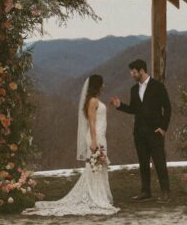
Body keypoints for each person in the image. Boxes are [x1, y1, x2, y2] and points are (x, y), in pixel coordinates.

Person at [24, 75, 118, 216]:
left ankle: (100, 195)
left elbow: (101, 118)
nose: (103, 86)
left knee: (100, 167)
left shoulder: (95, 101)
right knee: (94, 167)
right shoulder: (92, 101)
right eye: (102, 84)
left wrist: (109, 106)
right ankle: (95, 196)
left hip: (100, 136)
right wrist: (93, 141)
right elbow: (91, 122)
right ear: (97, 85)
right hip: (95, 136)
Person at [110, 59, 172, 203]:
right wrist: (120, 106)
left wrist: (163, 128)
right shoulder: (133, 89)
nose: (132, 74)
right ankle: (145, 192)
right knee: (143, 163)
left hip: (155, 132)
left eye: (134, 72)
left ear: (142, 70)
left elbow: (167, 108)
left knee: (159, 162)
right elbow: (134, 109)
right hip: (139, 133)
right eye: (131, 72)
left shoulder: (158, 86)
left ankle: (165, 192)